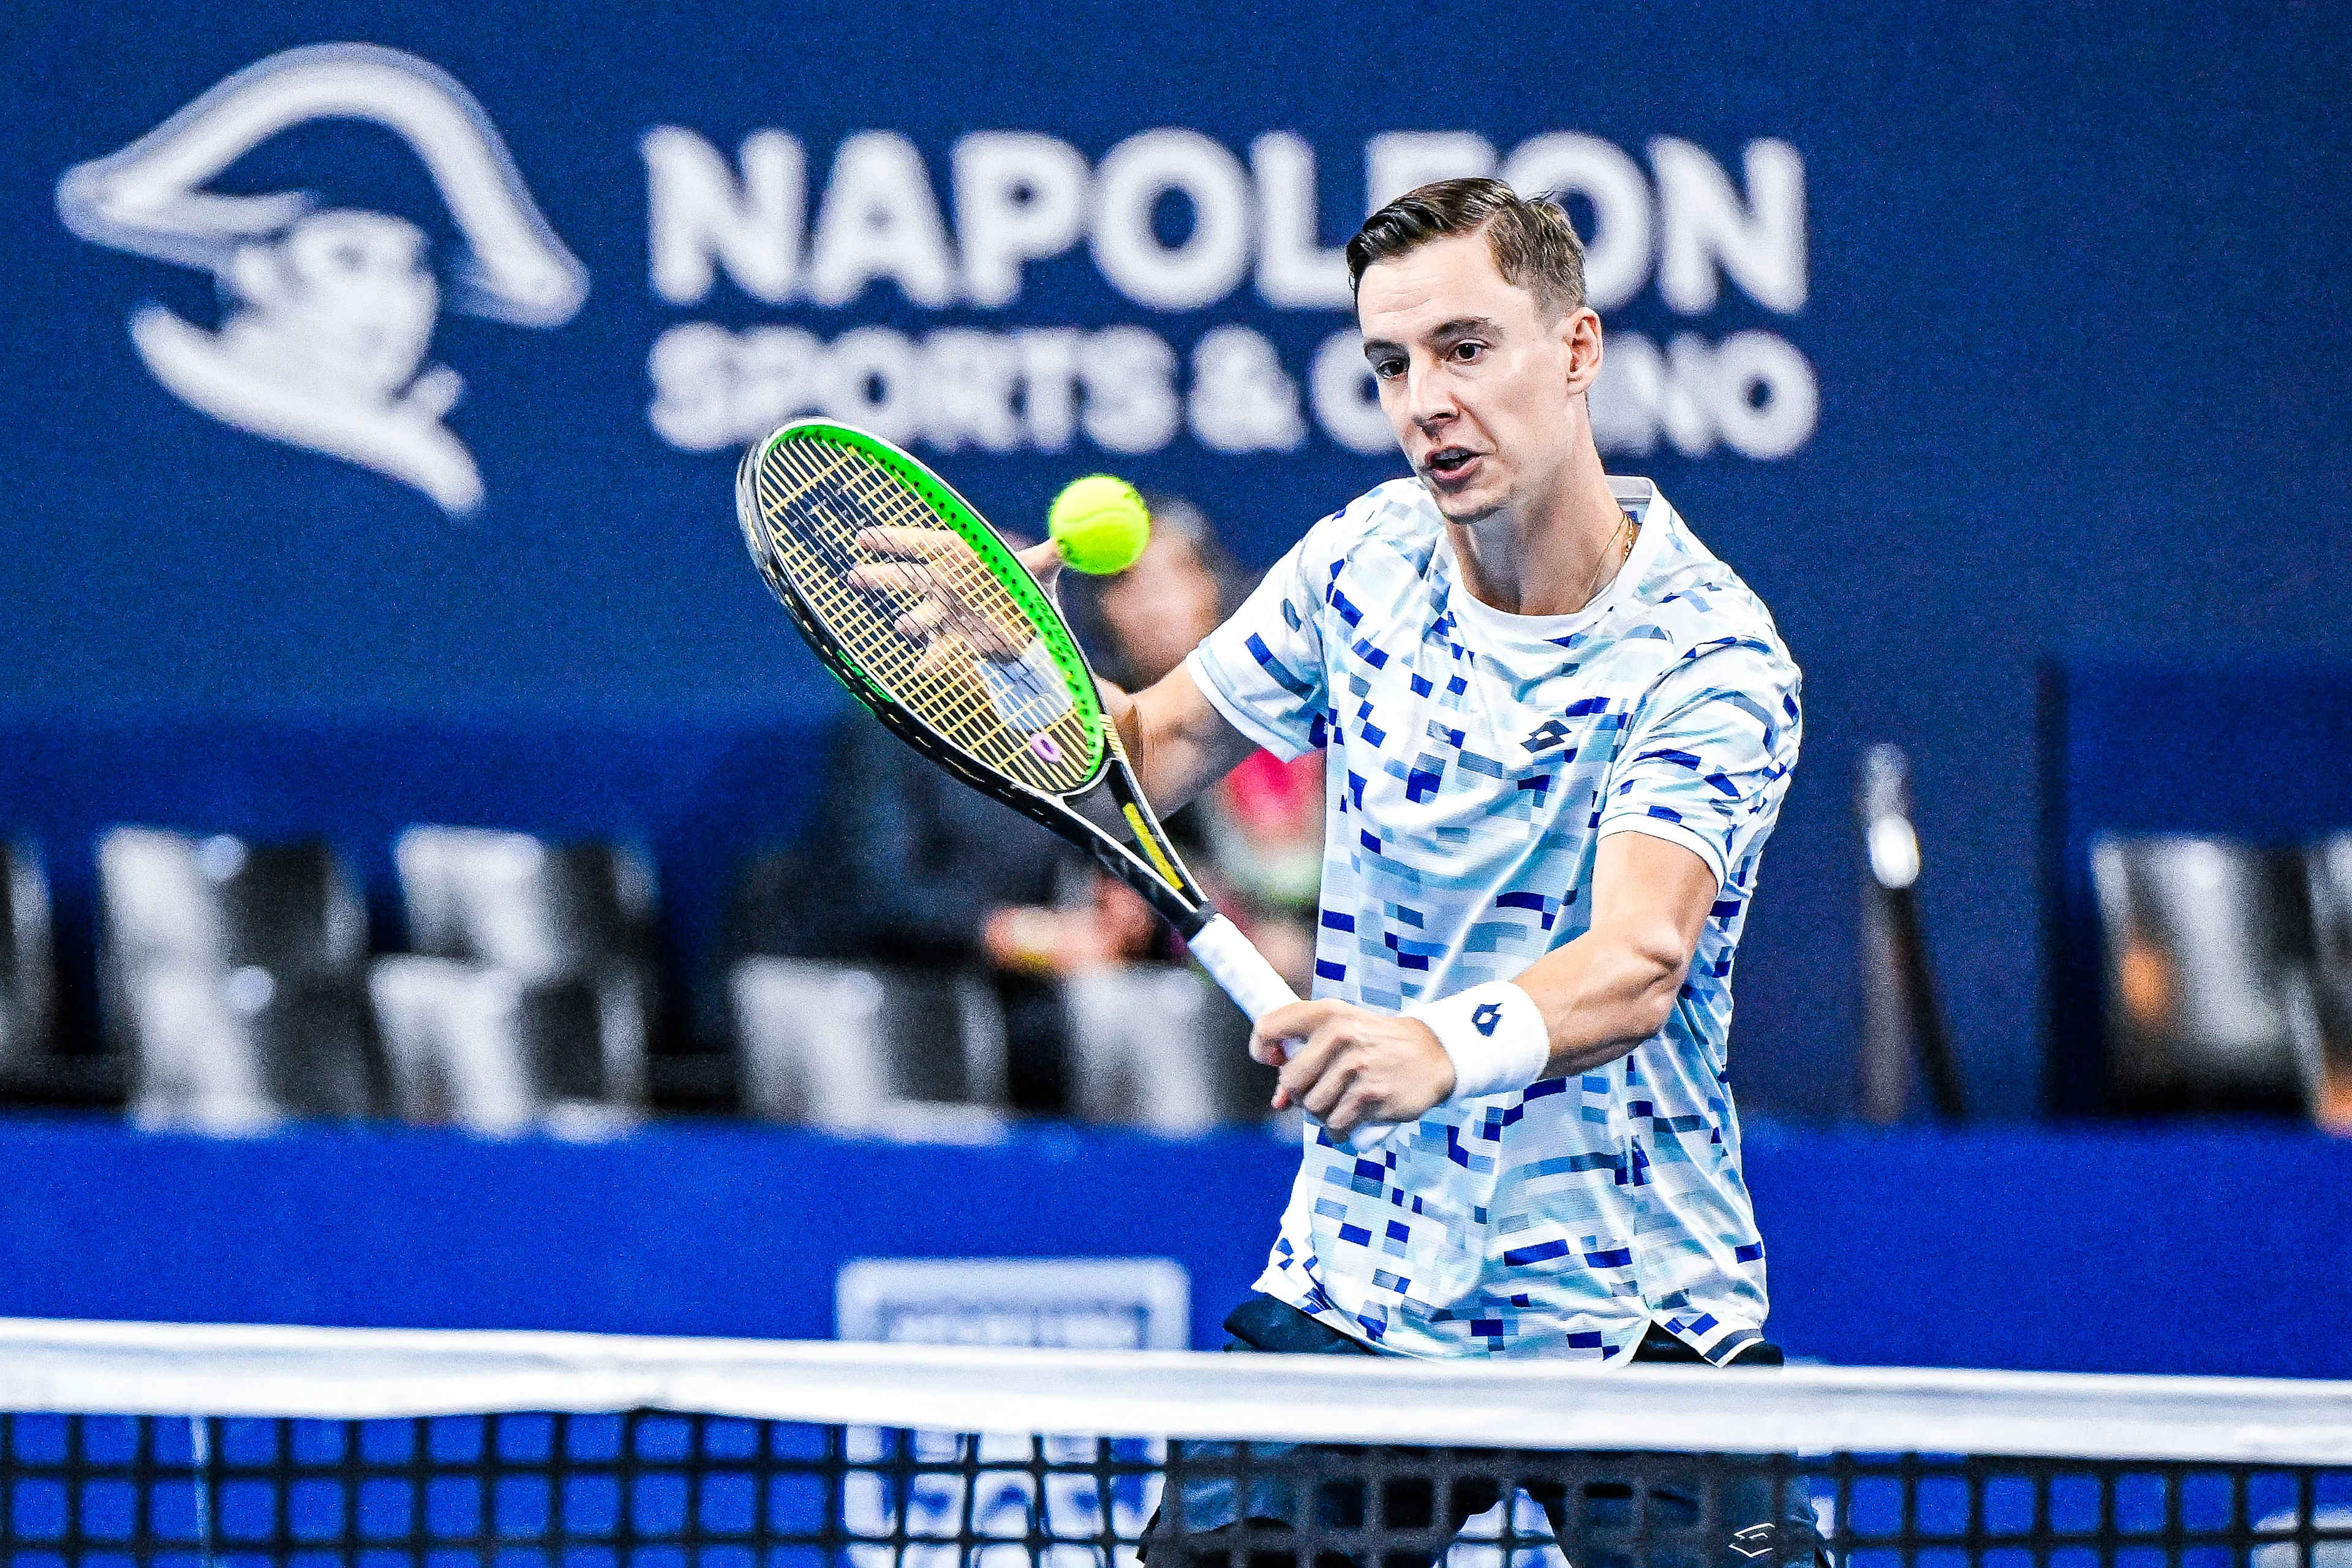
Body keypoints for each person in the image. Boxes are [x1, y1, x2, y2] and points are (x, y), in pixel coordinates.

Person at [871, 176, 1813, 1564]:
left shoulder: (1709, 658)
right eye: (1391, 363)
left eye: (1467, 347)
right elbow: (1133, 748)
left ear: (1577, 350)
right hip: (1372, 1275)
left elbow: (1638, 963)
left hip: (1632, 1295)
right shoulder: (1364, 563)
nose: (1425, 397)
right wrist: (1024, 664)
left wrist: (1431, 1045)